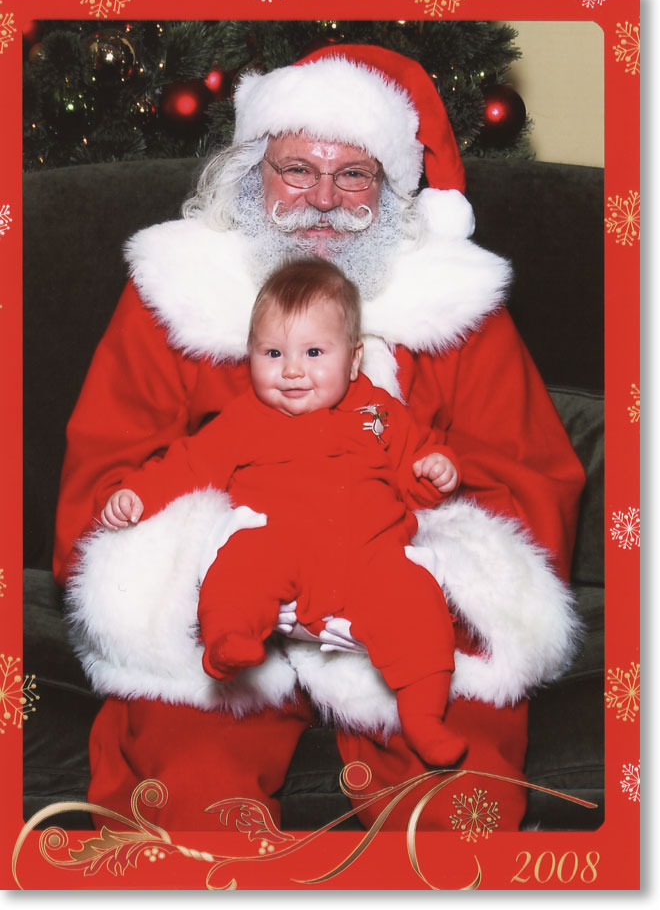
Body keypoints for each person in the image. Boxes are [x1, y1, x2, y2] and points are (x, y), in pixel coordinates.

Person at [58, 44, 585, 832]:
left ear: (393, 192)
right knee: (188, 791)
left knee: (459, 796)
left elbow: (530, 473)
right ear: (252, 175)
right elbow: (107, 469)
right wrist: (217, 554)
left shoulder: (458, 309)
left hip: (392, 584)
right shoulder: (173, 296)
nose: (324, 200)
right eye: (297, 168)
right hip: (225, 605)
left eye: (353, 175)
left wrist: (428, 557)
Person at [99, 257, 469, 768]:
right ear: (249, 355)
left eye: (314, 352)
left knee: (419, 607)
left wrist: (434, 471)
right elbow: (189, 463)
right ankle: (228, 639)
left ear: (354, 359)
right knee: (238, 567)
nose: (292, 370)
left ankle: (424, 717)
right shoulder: (244, 418)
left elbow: (414, 470)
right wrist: (138, 494)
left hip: (370, 553)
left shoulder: (380, 413)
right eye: (272, 353)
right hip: (277, 541)